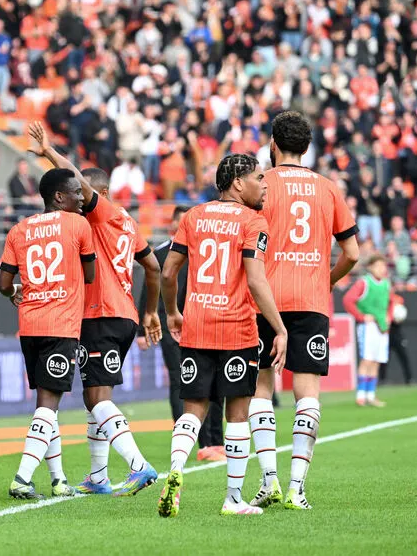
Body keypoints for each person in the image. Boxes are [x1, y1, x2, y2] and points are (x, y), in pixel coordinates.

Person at [27, 121, 162, 495]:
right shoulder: (129, 224)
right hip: (124, 316)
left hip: (99, 315)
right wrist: (150, 311)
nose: (76, 197)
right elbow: (152, 267)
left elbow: (77, 181)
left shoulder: (103, 213)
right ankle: (99, 476)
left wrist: (49, 152)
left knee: (96, 398)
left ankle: (139, 466)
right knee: (95, 394)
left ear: (98, 192)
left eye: (81, 192)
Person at [158, 153, 288, 518]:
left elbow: (168, 274)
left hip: (196, 326)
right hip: (237, 329)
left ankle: (177, 470)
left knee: (193, 410)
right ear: (237, 183)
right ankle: (233, 499)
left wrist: (172, 312)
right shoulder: (254, 221)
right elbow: (256, 278)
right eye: (259, 178)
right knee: (237, 413)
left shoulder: (194, 216)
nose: (264, 185)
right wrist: (279, 328)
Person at [250, 111, 360, 511]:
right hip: (312, 301)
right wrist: (326, 280)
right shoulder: (328, 188)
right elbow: (352, 253)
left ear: (273, 144)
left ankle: (269, 482)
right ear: (308, 147)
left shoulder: (260, 184)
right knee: (307, 390)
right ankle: (298, 488)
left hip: (267, 300)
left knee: (262, 387)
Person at [0, 168, 96, 501]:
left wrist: (16, 293)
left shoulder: (19, 229)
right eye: (76, 192)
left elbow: (3, 284)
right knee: (48, 405)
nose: (82, 197)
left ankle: (58, 480)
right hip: (61, 324)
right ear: (58, 196)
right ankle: (22, 478)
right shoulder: (78, 224)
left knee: (46, 403)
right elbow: (90, 275)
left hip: (30, 325)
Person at [140, 206, 227, 462]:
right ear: (172, 226)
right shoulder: (161, 253)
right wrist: (142, 328)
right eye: (180, 224)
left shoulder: (205, 249)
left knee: (213, 382)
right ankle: (189, 440)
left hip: (202, 322)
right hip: (171, 325)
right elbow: (149, 291)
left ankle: (214, 442)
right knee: (181, 381)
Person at [343, 255, 392, 408]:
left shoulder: (386, 284)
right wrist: (361, 317)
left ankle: (371, 395)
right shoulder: (364, 282)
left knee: (376, 361)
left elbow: (390, 302)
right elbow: (348, 300)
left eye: (383, 266)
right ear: (370, 267)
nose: (381, 269)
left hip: (382, 327)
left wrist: (389, 316)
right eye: (378, 266)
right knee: (367, 360)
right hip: (368, 326)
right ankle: (361, 395)